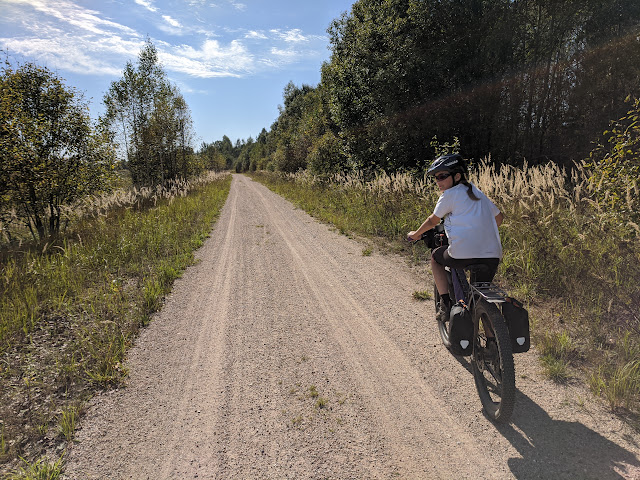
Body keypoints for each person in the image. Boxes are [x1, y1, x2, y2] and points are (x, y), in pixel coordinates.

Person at [407, 154, 504, 322]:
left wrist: (415, 234)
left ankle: (445, 303)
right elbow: (499, 218)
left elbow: (433, 221)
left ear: (457, 176)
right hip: (492, 255)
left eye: (442, 176)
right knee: (479, 298)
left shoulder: (450, 194)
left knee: (435, 257)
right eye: (436, 177)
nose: (438, 181)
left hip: (462, 254)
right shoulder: (477, 192)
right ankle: (492, 334)